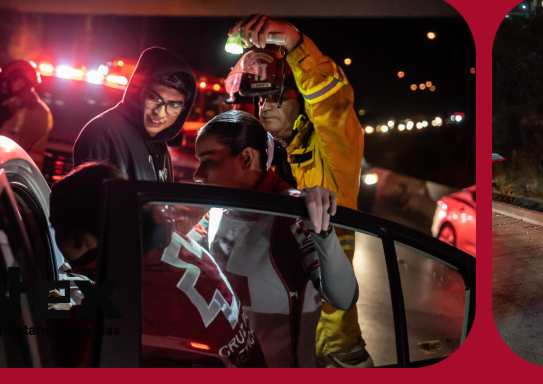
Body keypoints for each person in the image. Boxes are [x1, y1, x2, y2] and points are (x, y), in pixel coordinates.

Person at [225, 15, 369, 367]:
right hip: (280, 342)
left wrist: (295, 46)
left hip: (332, 349)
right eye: (260, 100)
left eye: (276, 96)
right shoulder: (261, 161)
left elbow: (333, 104)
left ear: (301, 101)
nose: (265, 105)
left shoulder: (334, 157)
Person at [48, 163, 266, 367]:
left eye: (56, 229)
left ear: (77, 238)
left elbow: (77, 351)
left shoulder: (129, 293)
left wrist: (34, 299)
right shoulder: (166, 242)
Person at [191, 112, 358, 367]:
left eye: (208, 162)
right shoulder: (220, 208)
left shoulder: (292, 212)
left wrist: (322, 231)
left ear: (246, 157)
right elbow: (183, 259)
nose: (197, 175)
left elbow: (344, 297)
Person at [74, 47, 195, 181]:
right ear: (137, 92)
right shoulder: (103, 135)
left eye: (173, 105)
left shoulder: (159, 145)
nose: (160, 113)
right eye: (153, 98)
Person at [0, 60, 52, 168]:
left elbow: (15, 146)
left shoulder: (39, 112)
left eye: (11, 79)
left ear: (23, 81)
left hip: (20, 174)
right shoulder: (11, 105)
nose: (6, 85)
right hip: (6, 168)